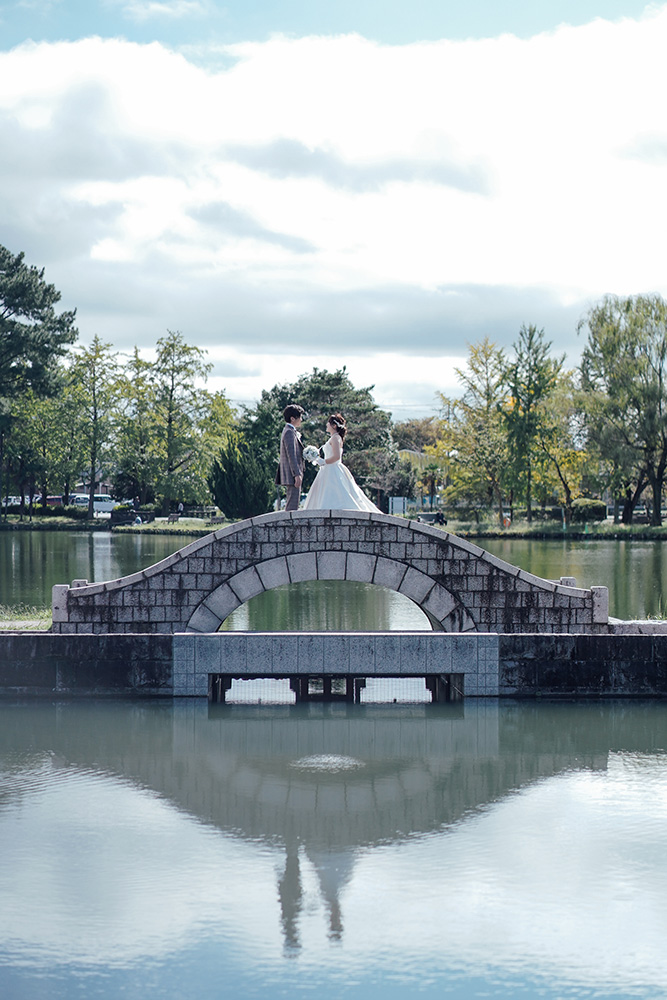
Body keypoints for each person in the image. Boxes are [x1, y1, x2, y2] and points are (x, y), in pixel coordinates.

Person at [302, 413, 381, 512]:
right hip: (327, 468)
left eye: (328, 423)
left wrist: (324, 461)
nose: (326, 425)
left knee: (336, 490)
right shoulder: (334, 437)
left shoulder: (336, 438)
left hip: (332, 468)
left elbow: (336, 456)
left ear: (334, 426)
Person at [276, 403, 305, 512]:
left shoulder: (289, 431)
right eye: (300, 417)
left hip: (291, 474)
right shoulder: (289, 432)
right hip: (292, 475)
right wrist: (297, 474)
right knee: (292, 506)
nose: (301, 420)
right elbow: (291, 455)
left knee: (292, 504)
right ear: (292, 418)